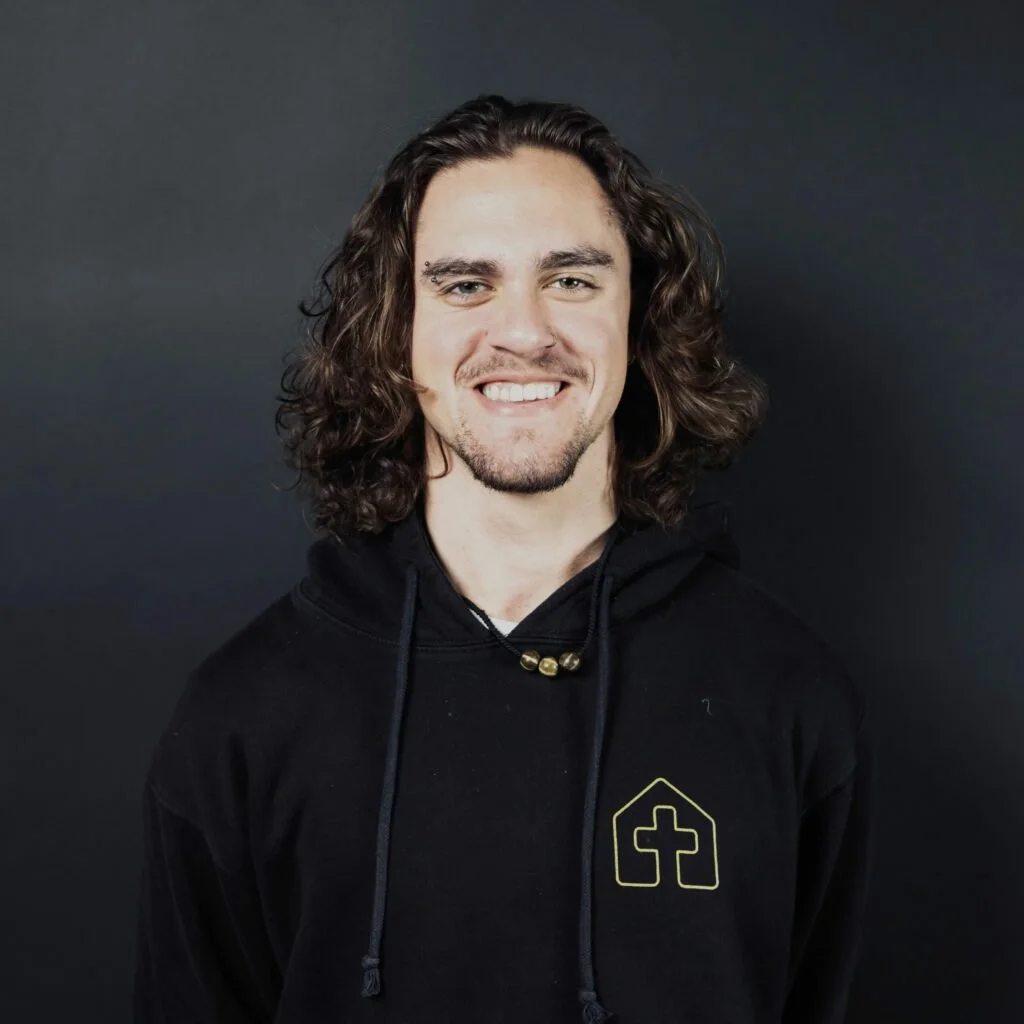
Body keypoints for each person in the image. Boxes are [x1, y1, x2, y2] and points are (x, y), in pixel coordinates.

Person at [133, 94, 876, 1024]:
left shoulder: (790, 694)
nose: (523, 332)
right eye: (464, 285)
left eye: (571, 280)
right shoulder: (243, 716)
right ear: (395, 328)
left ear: (635, 317)